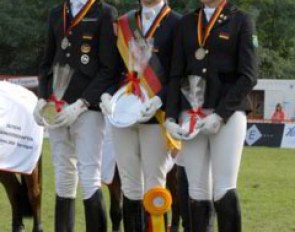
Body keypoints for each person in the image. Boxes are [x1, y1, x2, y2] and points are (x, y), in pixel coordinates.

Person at [165, 0, 258, 231]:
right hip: (192, 114)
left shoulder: (241, 21)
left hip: (227, 113)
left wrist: (220, 114)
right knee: (196, 190)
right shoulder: (187, 22)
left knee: (224, 188)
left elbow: (249, 76)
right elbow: (176, 74)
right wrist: (170, 116)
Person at [33, 0, 118, 231]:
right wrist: (41, 97)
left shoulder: (105, 13)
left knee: (90, 175)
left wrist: (82, 103)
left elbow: (109, 68)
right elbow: (46, 63)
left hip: (87, 110)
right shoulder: (55, 13)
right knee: (63, 176)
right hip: (57, 108)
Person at [100, 0, 181, 231]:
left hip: (156, 116)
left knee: (155, 185)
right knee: (129, 186)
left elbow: (179, 73)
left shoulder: (177, 23)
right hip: (123, 113)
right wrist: (107, 95)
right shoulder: (124, 22)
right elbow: (112, 68)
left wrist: (161, 98)